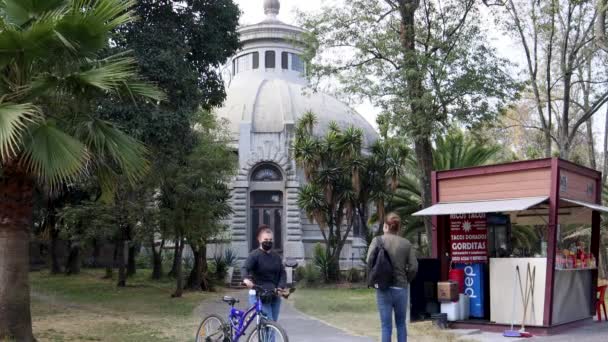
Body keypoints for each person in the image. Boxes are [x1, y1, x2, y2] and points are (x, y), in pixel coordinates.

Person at [367, 213, 418, 342]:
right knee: (401, 324)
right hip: (401, 288)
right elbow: (413, 267)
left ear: (385, 226)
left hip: (383, 288)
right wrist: (407, 279)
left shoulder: (377, 241)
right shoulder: (406, 244)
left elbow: (369, 260)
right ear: (398, 227)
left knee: (386, 326)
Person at [242, 225, 286, 321]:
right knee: (269, 323)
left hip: (274, 295)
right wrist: (245, 279)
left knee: (274, 323)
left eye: (270, 240)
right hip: (260, 295)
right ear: (259, 239)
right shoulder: (254, 255)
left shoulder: (276, 257)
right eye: (265, 239)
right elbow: (245, 268)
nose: (268, 242)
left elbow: (282, 273)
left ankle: (263, 336)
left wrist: (280, 287)